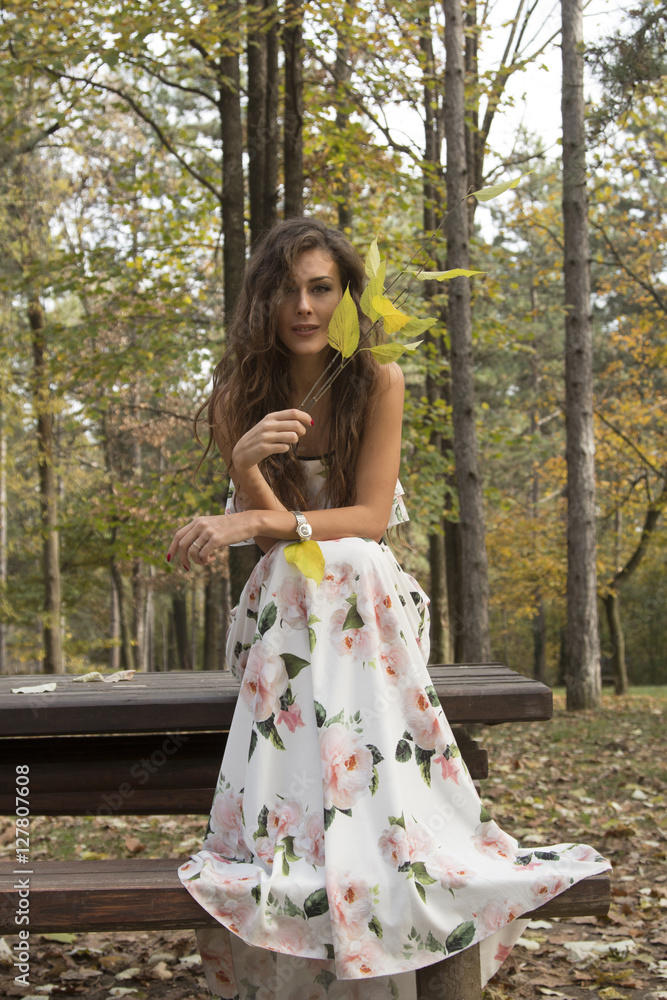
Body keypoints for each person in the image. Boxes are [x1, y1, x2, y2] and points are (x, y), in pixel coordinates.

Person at [168, 218, 610, 1000]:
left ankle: (383, 835)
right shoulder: (237, 390)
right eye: (286, 289)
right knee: (320, 565)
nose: (303, 306)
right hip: (285, 614)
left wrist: (251, 518)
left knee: (353, 555)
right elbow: (280, 550)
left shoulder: (378, 380)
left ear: (346, 297)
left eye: (321, 288)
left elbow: (369, 519)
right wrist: (243, 464)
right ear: (262, 300)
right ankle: (310, 839)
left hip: (370, 616)